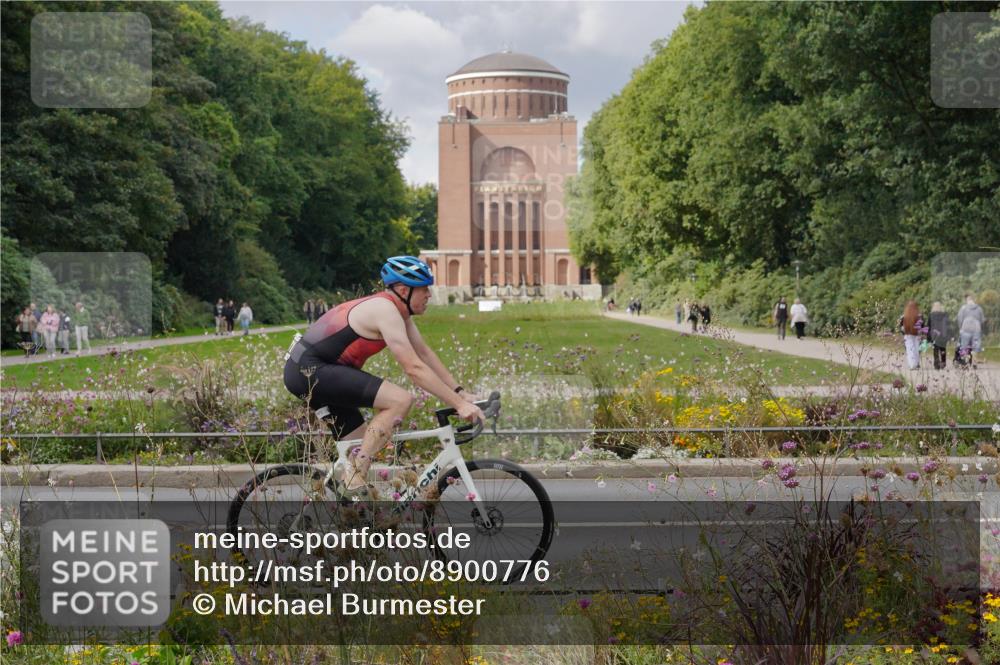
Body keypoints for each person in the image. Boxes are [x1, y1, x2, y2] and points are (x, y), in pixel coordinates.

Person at [283, 256, 485, 496]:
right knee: (400, 400)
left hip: (317, 370)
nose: (429, 295)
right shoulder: (385, 310)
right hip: (309, 370)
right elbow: (414, 369)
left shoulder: (399, 311)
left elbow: (424, 354)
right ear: (403, 290)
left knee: (358, 447)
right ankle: (354, 478)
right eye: (424, 289)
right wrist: (459, 405)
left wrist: (460, 393)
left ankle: (352, 513)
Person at [957, 293, 985, 365]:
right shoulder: (979, 308)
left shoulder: (963, 308)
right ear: (973, 300)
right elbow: (982, 320)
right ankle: (974, 363)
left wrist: (960, 327)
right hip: (976, 328)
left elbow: (960, 319)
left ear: (967, 300)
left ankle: (966, 362)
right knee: (975, 346)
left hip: (965, 328)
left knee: (965, 346)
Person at [898, 300, 924, 370]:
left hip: (908, 335)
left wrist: (903, 333)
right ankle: (917, 363)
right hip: (917, 335)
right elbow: (922, 326)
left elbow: (900, 327)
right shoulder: (919, 316)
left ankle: (912, 365)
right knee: (917, 349)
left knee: (910, 349)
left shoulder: (903, 317)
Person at [927, 301, 949, 370]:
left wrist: (928, 337)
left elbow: (929, 326)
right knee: (943, 349)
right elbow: (947, 325)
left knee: (935, 350)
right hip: (943, 334)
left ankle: (936, 364)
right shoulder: (944, 315)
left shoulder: (931, 315)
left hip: (934, 335)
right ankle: (943, 362)